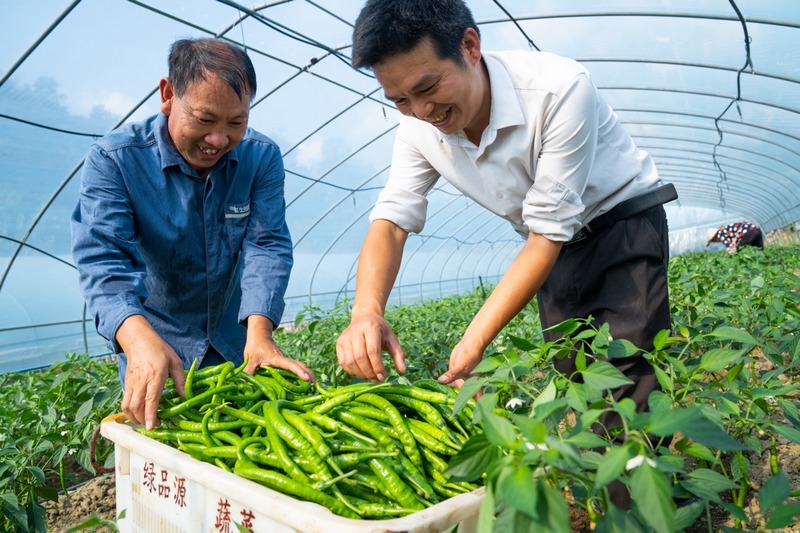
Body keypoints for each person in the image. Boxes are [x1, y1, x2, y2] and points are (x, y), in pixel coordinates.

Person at [336, 0, 677, 505]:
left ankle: (639, 510)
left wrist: (474, 342)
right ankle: (602, 494)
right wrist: (366, 311)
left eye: (428, 89)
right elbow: (391, 220)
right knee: (576, 377)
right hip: (552, 248)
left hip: (622, 224)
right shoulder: (418, 129)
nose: (421, 112)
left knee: (628, 381)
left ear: (470, 47)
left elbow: (547, 233)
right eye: (400, 100)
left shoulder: (560, 88)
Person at [71, 37, 314, 431]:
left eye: (236, 122)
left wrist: (260, 333)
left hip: (236, 345)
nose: (218, 139)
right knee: (167, 454)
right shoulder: (115, 160)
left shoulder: (260, 157)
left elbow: (266, 244)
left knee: (239, 452)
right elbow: (104, 260)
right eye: (204, 120)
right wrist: (136, 339)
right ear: (168, 95)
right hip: (156, 347)